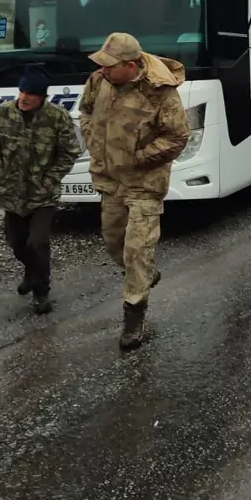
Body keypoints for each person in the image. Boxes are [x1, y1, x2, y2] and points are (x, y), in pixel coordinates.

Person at [79, 32, 189, 350]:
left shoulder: (160, 91)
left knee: (136, 250)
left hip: (145, 183)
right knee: (114, 243)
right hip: (110, 179)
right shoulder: (98, 81)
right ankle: (145, 275)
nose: (103, 70)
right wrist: (93, 140)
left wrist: (138, 157)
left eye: (110, 66)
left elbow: (177, 136)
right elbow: (85, 111)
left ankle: (133, 315)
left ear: (130, 66)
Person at [0, 65, 81, 314]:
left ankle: (41, 292)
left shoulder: (57, 117)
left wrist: (50, 179)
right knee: (16, 243)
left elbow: (69, 152)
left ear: (42, 97)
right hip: (12, 193)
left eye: (31, 94)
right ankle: (32, 272)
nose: (24, 98)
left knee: (37, 243)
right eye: (22, 92)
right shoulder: (2, 114)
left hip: (42, 195)